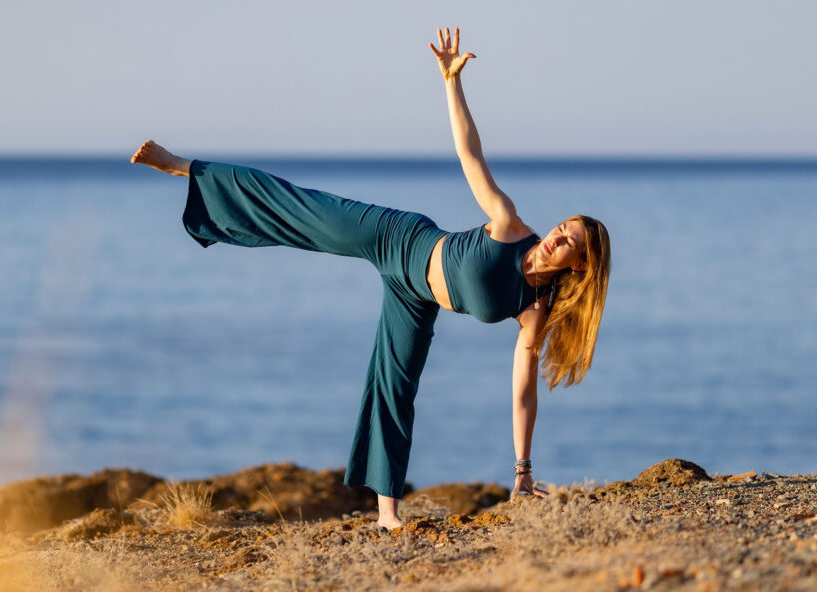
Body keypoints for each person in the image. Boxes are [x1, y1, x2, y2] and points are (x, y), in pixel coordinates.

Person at [131, 27, 610, 530]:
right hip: (398, 238)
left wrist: (523, 470)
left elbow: (522, 393)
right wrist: (452, 83)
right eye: (562, 228)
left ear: (579, 265)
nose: (556, 238)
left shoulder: (534, 309)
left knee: (396, 385)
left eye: (569, 242)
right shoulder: (509, 224)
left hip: (415, 296)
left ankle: (387, 517)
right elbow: (471, 155)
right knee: (304, 210)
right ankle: (184, 167)